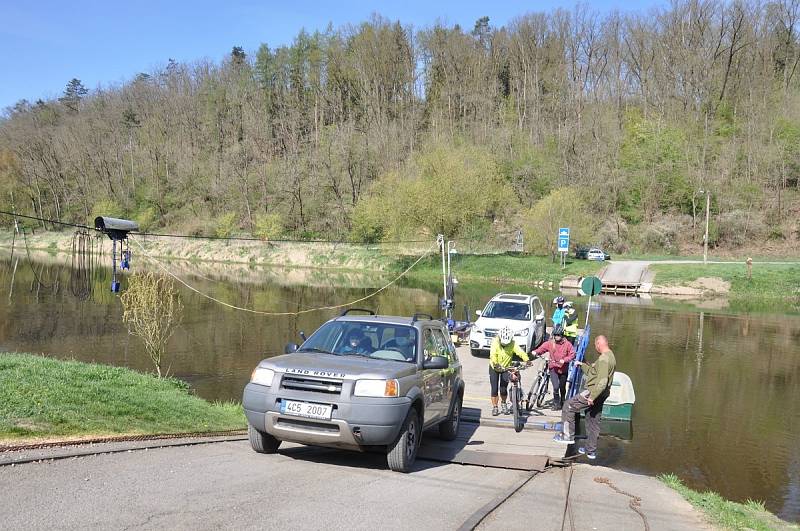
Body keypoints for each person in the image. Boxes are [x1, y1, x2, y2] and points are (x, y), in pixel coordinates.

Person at [553, 335, 617, 460]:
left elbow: (602, 381)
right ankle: (590, 450)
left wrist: (592, 396)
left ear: (599, 344)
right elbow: (594, 373)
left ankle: (567, 436)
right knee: (592, 419)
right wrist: (581, 365)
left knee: (569, 406)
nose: (595, 347)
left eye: (595, 345)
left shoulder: (604, 359)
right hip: (603, 394)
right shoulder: (611, 356)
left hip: (593, 392)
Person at [532, 324, 576, 410]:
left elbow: (572, 355)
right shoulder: (550, 343)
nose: (556, 337)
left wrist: (565, 360)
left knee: (562, 387)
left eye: (558, 335)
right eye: (555, 335)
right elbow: (542, 348)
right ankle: (556, 404)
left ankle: (563, 400)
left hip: (563, 369)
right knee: (556, 386)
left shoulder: (568, 344)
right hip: (553, 368)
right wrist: (536, 352)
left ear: (562, 335)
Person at [489, 326, 530, 416]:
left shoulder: (512, 343)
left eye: (506, 344)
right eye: (503, 344)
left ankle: (503, 403)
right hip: (495, 367)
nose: (505, 345)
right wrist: (496, 364)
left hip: (506, 367)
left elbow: (520, 351)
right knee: (494, 388)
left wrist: (527, 359)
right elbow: (493, 354)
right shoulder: (495, 342)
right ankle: (495, 407)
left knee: (503, 389)